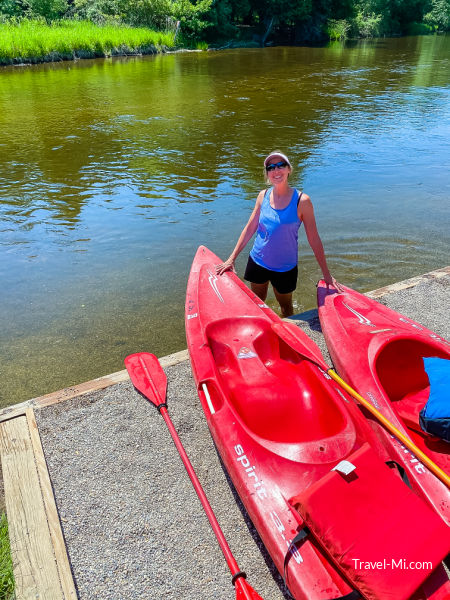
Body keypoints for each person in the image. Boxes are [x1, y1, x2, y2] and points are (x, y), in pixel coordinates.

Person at [215, 150, 340, 318]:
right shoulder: (263, 196)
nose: (276, 170)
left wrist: (327, 275)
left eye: (281, 165)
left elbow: (314, 239)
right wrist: (231, 258)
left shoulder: (302, 201)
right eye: (271, 167)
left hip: (285, 268)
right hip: (258, 262)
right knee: (257, 304)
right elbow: (250, 228)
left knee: (286, 308)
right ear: (267, 174)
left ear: (289, 169)